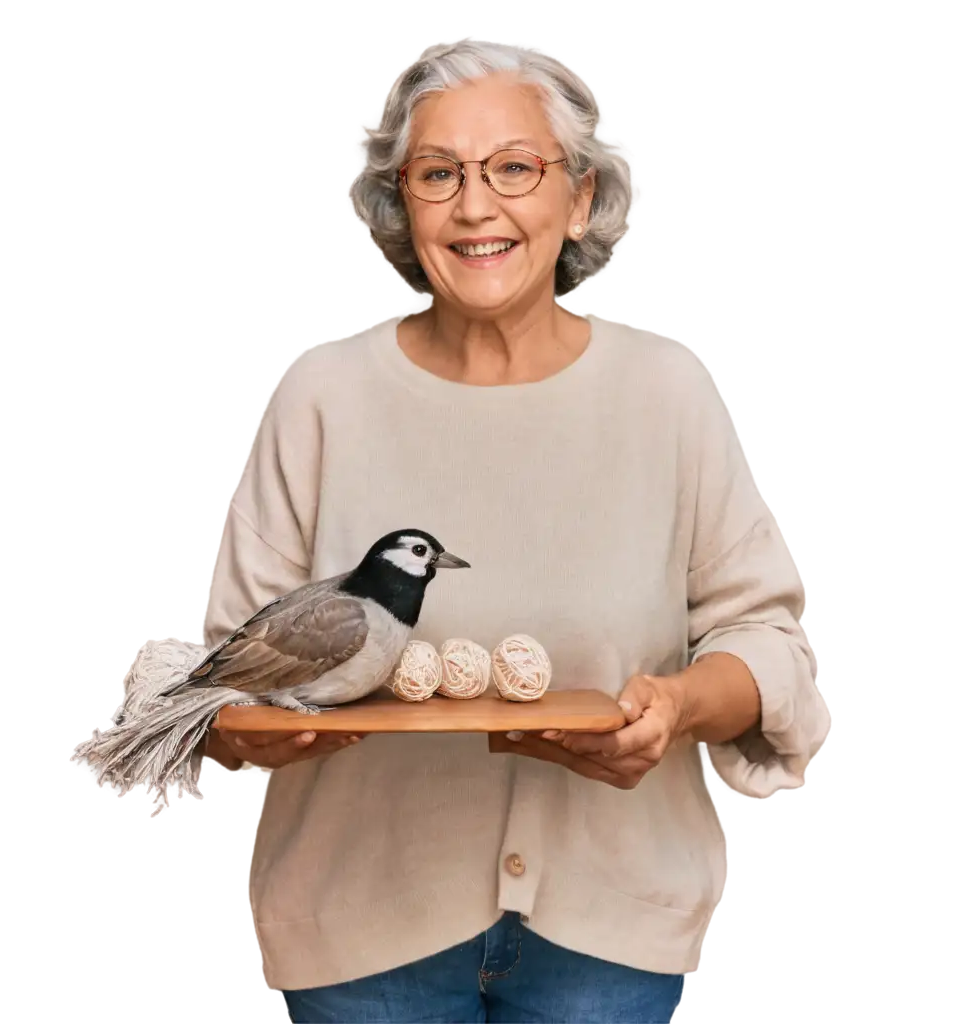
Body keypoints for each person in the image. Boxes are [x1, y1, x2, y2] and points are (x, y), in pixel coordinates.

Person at [199, 39, 831, 1024]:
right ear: (401, 204)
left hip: (610, 934)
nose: (475, 205)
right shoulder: (319, 394)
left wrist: (674, 703)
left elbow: (767, 650)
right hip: (362, 937)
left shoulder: (665, 395)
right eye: (438, 173)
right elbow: (228, 671)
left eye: (514, 168)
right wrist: (262, 728)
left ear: (577, 200)